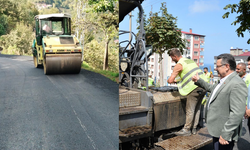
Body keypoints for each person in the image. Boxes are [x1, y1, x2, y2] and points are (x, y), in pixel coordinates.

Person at [192, 53, 247, 150]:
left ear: (227, 67)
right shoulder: (224, 80)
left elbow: (237, 113)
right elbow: (212, 89)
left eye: (217, 66)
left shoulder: (237, 84)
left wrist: (226, 133)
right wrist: (199, 80)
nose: (216, 69)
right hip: (218, 130)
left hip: (224, 132)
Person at [167, 48, 207, 136]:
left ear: (175, 56)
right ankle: (194, 128)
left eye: (172, 58)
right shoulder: (189, 61)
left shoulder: (179, 65)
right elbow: (188, 74)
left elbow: (170, 80)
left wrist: (172, 80)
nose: (172, 60)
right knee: (197, 109)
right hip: (203, 86)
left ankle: (186, 129)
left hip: (194, 88)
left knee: (190, 110)